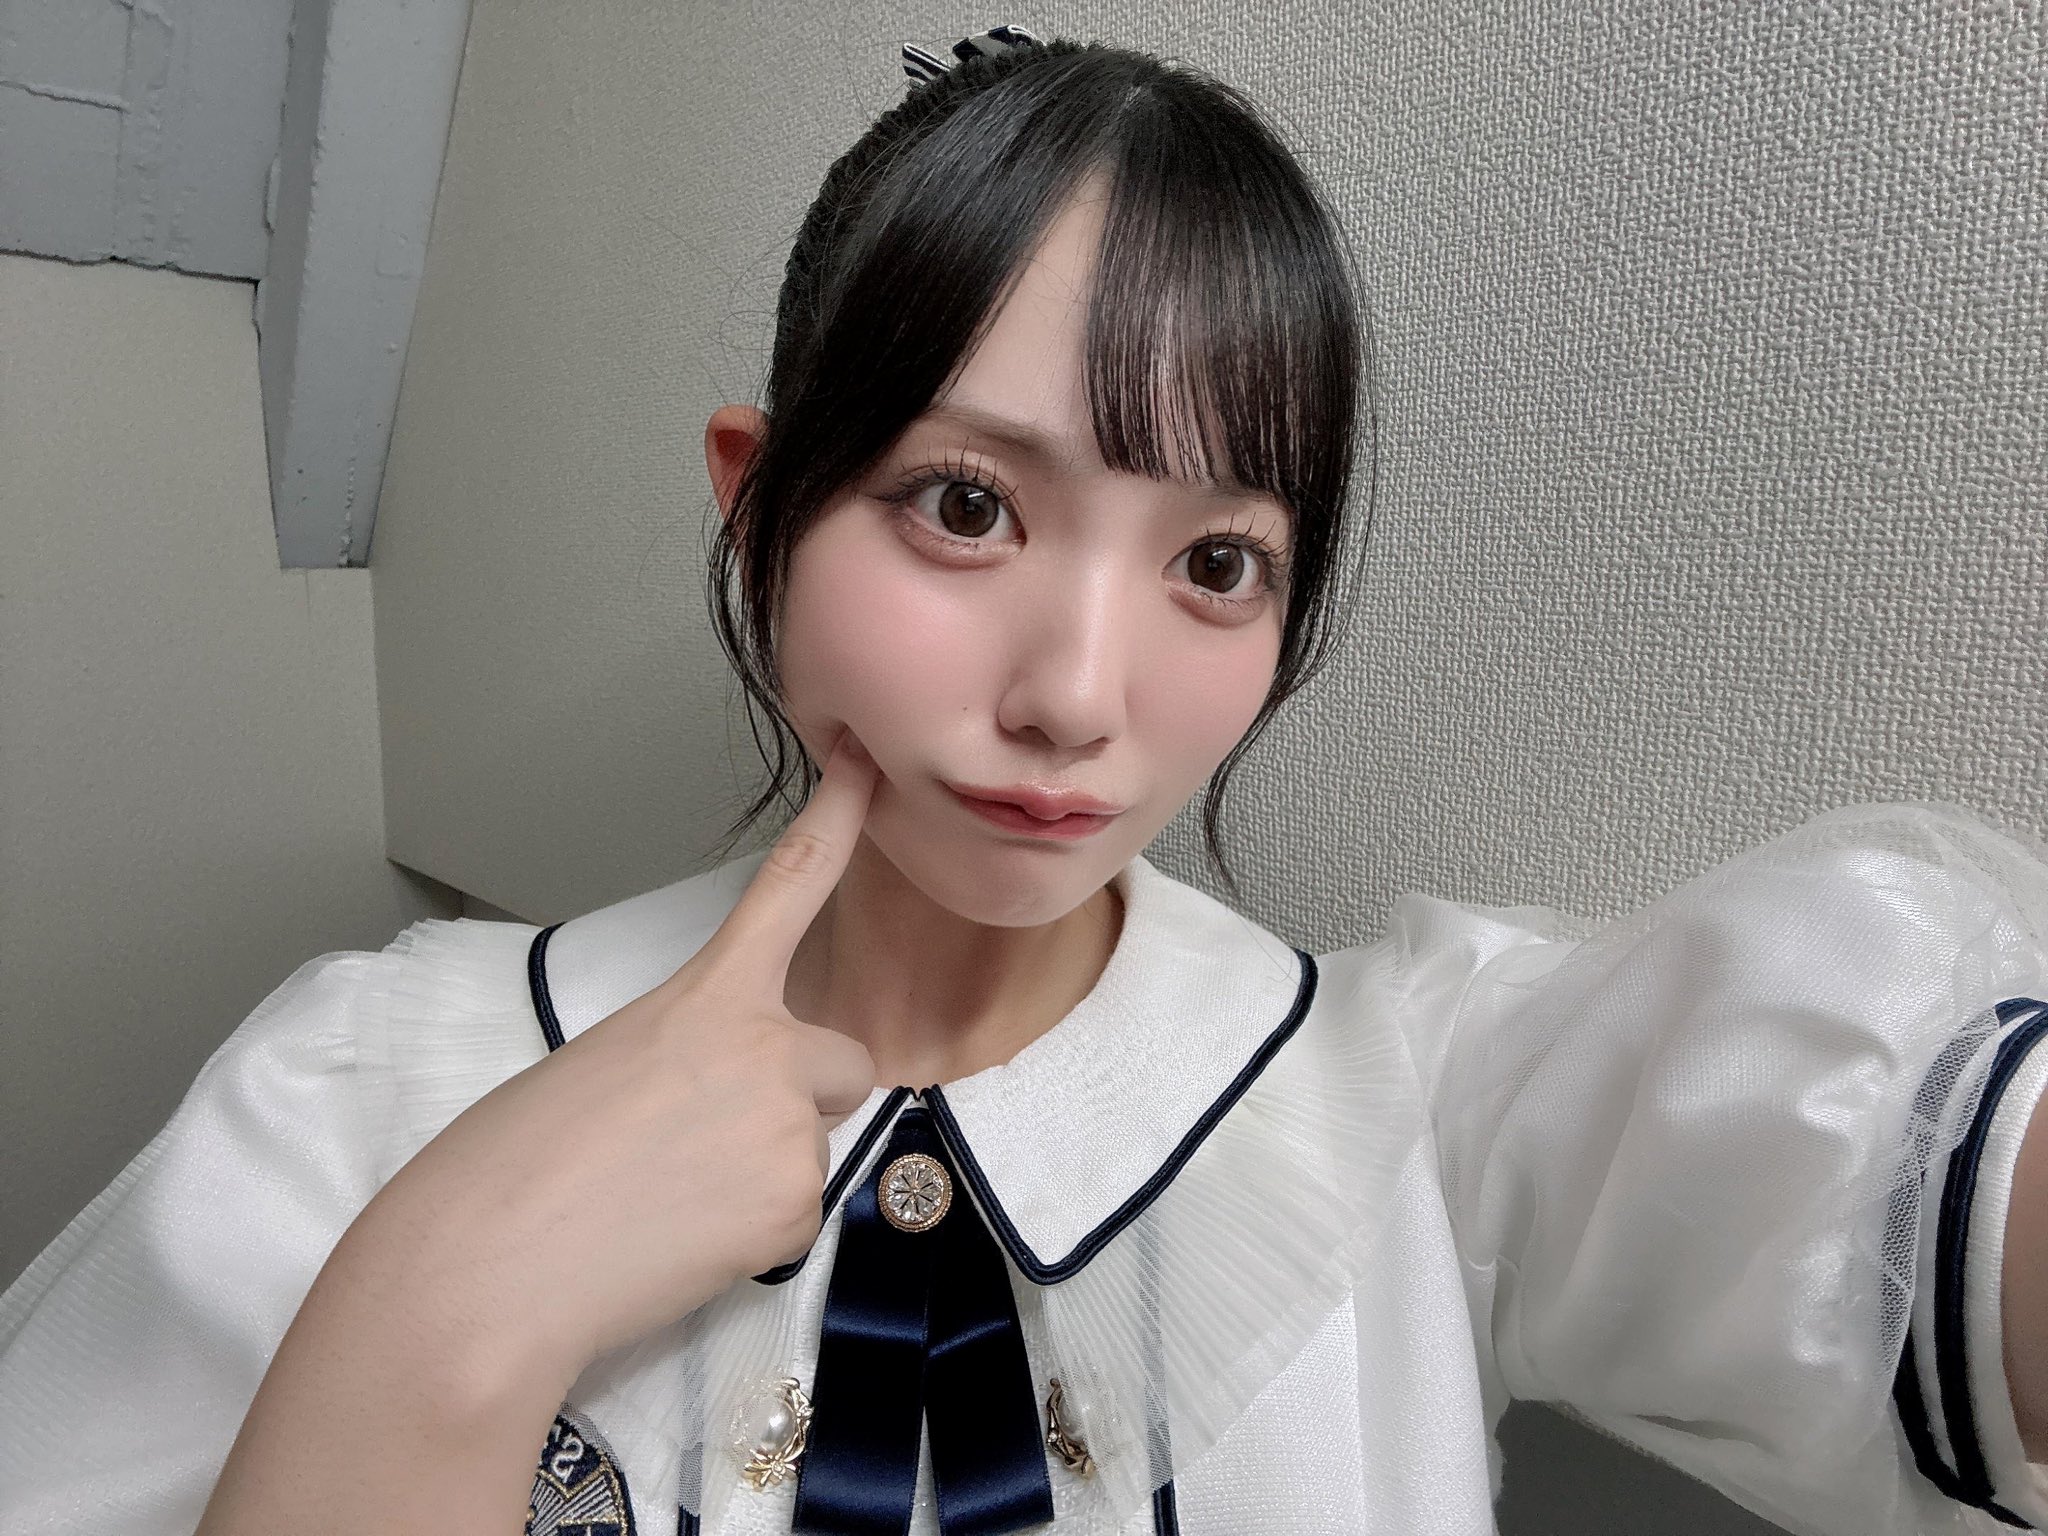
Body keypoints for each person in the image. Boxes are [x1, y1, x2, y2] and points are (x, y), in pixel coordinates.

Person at [2, 26, 2045, 1536]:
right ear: (761, 504)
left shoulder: (1418, 1105)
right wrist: (447, 1300)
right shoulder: (362, 1090)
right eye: (967, 506)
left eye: (1216, 563)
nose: (1076, 698)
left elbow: (1840, 1164)